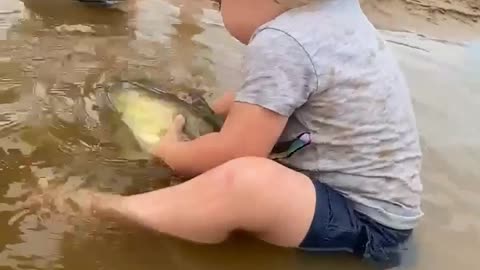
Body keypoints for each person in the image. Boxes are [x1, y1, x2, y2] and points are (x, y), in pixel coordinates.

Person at [87, 0, 423, 266]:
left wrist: (171, 152)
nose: (219, 11)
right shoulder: (337, 14)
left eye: (219, 3)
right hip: (385, 218)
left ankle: (114, 209)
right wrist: (212, 113)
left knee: (246, 181)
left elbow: (237, 153)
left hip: (361, 228)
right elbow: (274, 96)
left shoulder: (284, 39)